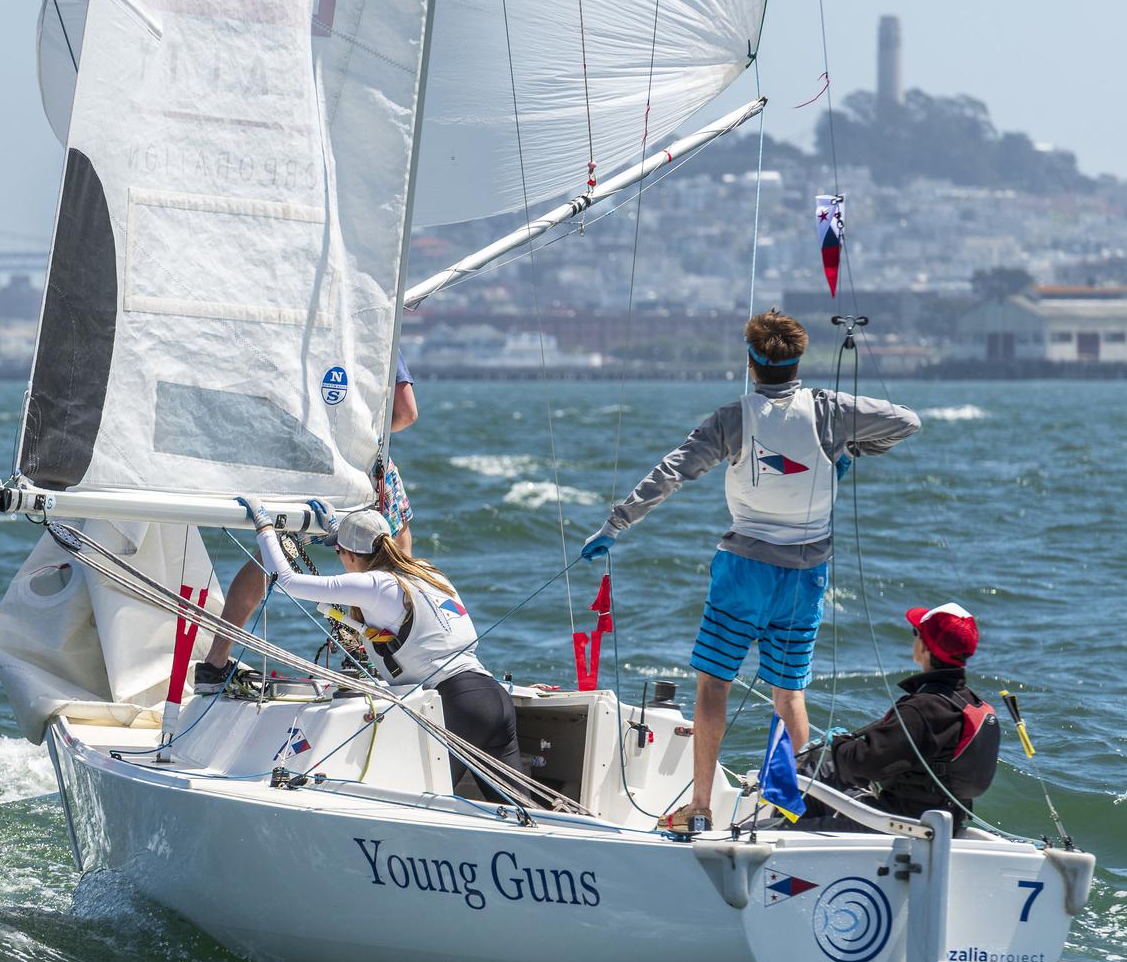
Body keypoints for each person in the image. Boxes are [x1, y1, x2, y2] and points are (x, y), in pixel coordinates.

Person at [579, 311, 920, 829]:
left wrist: (614, 526)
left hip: (744, 571)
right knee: (789, 694)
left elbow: (672, 472)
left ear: (751, 362)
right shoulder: (828, 412)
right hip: (806, 576)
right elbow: (906, 421)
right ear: (798, 362)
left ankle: (700, 808)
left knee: (714, 685)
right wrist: (852, 445)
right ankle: (794, 811)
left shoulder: (733, 418)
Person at [237, 499, 525, 799]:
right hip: (493, 698)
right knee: (523, 815)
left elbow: (288, 581)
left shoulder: (375, 586)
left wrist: (264, 525)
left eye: (339, 551)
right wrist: (342, 533)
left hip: (455, 705)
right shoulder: (426, 571)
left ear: (348, 554)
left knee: (414, 810)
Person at [195, 352, 420, 693]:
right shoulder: (379, 326)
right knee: (394, 549)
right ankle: (367, 656)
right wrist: (355, 435)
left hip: (298, 460)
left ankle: (214, 662)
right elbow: (405, 413)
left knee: (267, 559)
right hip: (356, 466)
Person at [802, 602, 1000, 832]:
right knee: (825, 771)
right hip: (946, 824)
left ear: (926, 647)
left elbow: (864, 764)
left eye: (916, 633)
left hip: (898, 824)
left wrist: (838, 745)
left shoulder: (923, 708)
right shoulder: (969, 705)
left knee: (813, 770)